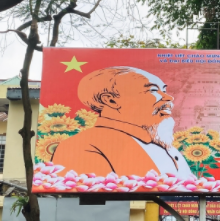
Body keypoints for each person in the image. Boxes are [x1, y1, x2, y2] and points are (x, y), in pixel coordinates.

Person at [50, 67, 193, 177]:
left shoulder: (163, 146)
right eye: (153, 90)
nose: (169, 98)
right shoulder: (79, 147)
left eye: (164, 90)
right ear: (111, 100)